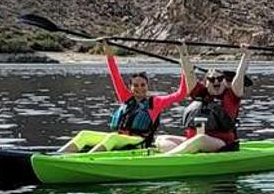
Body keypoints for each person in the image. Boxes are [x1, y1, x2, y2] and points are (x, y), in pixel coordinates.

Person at [57, 42, 191, 153]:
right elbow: (115, 74)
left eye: (143, 85)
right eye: (136, 85)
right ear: (130, 87)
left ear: (147, 86)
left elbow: (181, 93)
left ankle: (85, 160)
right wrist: (108, 50)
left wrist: (184, 64)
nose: (139, 88)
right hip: (120, 139)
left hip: (139, 143)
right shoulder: (125, 97)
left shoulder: (155, 102)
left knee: (113, 138)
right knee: (84, 134)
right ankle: (57, 157)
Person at [159, 47, 248, 154]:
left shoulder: (231, 96)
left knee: (200, 139)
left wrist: (245, 55)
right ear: (206, 83)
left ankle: (168, 157)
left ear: (224, 82)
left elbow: (240, 74)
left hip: (222, 143)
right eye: (211, 79)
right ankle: (184, 153)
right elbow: (189, 73)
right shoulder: (200, 93)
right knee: (161, 139)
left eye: (220, 79)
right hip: (193, 141)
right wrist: (182, 51)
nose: (216, 81)